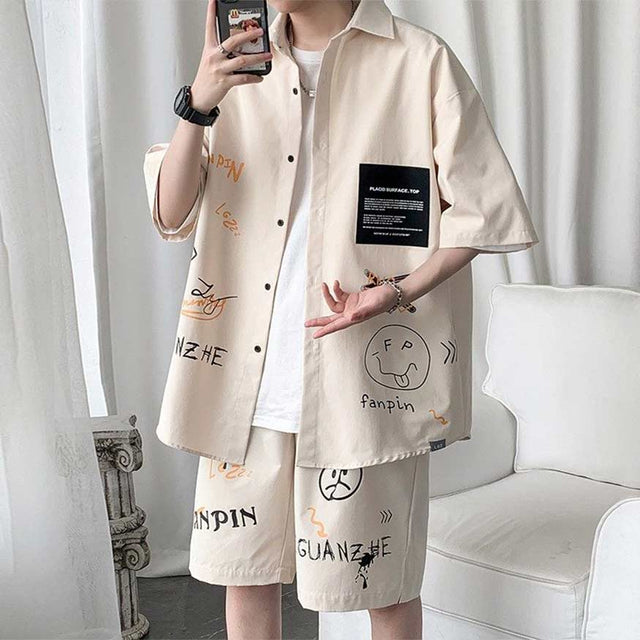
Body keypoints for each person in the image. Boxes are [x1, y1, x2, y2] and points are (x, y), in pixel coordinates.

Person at [142, 0, 539, 637]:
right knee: (246, 574)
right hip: (244, 377)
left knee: (385, 587)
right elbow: (170, 212)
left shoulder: (420, 60)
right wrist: (200, 102)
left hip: (362, 381)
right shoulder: (235, 66)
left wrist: (399, 292)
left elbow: (483, 210)